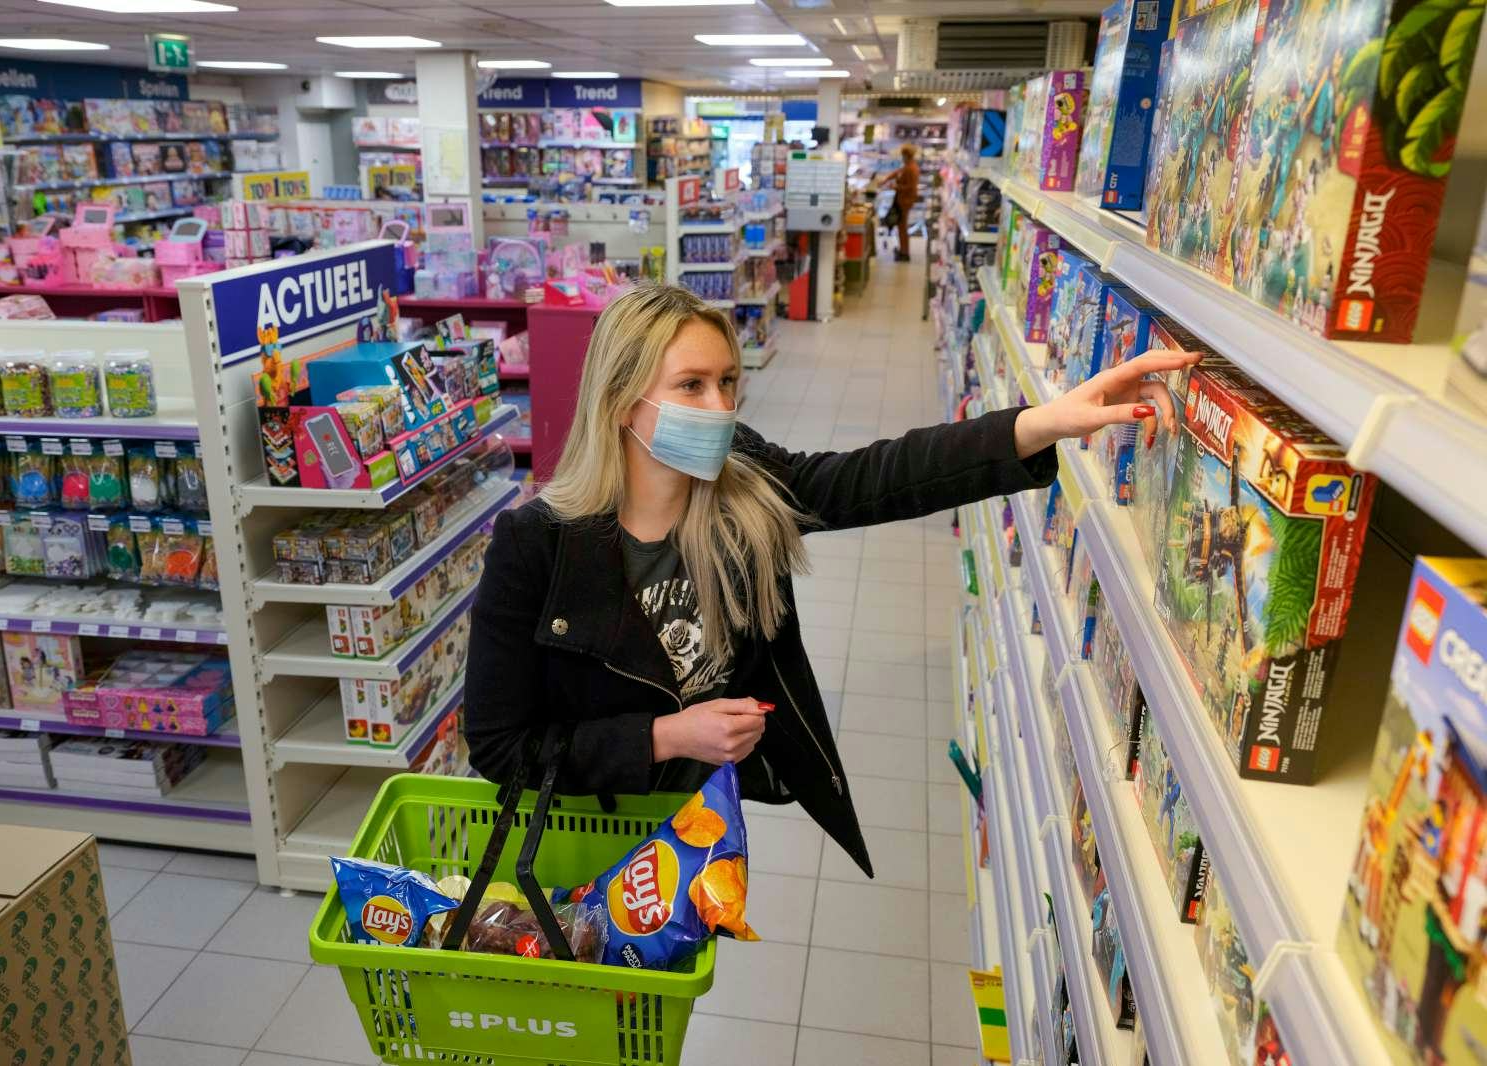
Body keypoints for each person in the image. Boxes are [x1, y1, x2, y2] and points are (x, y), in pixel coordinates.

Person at [464, 284, 1197, 877]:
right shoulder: (537, 546)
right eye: (690, 386)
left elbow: (875, 477)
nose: (721, 410)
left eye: (727, 382)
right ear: (623, 403)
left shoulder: (740, 483)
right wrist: (665, 735)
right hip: (582, 832)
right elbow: (499, 747)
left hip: (695, 835)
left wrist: (1041, 423)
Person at [881, 144, 921, 262]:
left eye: (903, 155)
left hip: (905, 201)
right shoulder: (908, 166)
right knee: (901, 226)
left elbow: (910, 187)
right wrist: (886, 179)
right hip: (902, 199)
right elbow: (898, 172)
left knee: (902, 227)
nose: (902, 157)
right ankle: (903, 249)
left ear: (907, 155)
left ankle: (905, 252)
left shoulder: (912, 168)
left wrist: (895, 186)